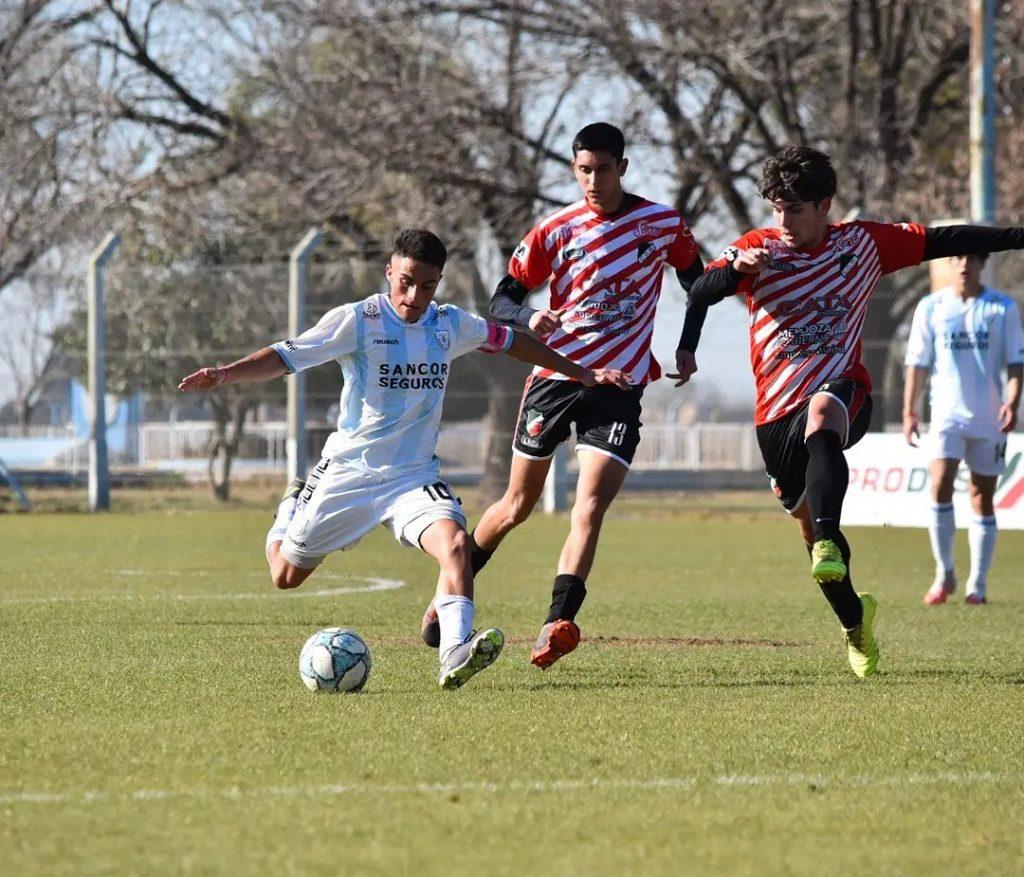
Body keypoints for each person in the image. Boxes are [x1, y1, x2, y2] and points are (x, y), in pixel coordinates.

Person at [178, 229, 630, 689]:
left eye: (428, 285)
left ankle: (455, 650)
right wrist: (225, 374)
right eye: (406, 281)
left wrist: (582, 373)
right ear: (389, 272)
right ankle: (288, 510)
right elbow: (285, 356)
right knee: (286, 575)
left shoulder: (451, 324)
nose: (415, 295)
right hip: (349, 473)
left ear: (439, 283)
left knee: (455, 544)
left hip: (412, 477)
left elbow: (513, 342)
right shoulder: (359, 321)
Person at [680, 145, 1024, 677]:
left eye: (795, 208)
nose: (784, 220)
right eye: (776, 208)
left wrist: (1015, 236)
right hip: (774, 415)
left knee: (823, 420)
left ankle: (825, 539)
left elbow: (947, 239)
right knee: (815, 544)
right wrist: (731, 272)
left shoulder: (862, 243)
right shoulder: (757, 248)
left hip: (843, 392)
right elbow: (700, 289)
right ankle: (855, 622)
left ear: (825, 206)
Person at [420, 122, 705, 669]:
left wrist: (687, 346)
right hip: (555, 380)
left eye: (602, 169)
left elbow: (701, 283)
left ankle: (558, 620)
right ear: (574, 170)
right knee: (516, 506)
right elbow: (502, 302)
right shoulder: (555, 229)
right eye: (583, 170)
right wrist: (532, 316)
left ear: (622, 167)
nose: (592, 180)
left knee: (590, 504)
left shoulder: (662, 224)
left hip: (619, 386)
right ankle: (447, 590)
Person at [903, 253, 1024, 605]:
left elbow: (1017, 364)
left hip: (988, 418)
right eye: (956, 257)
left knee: (981, 497)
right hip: (945, 415)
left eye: (971, 257)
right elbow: (917, 363)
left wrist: (1012, 403)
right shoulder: (930, 307)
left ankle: (978, 584)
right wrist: (910, 411)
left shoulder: (1002, 308)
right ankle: (944, 575)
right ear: (947, 262)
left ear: (982, 262)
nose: (963, 264)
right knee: (939, 486)